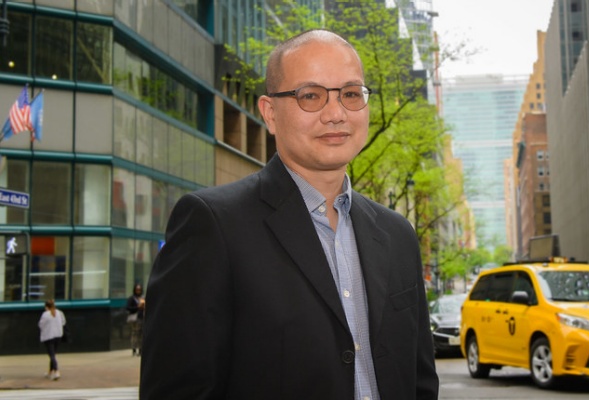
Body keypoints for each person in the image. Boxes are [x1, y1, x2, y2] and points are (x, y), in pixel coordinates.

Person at [140, 29, 439, 399]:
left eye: (350, 94)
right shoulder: (212, 225)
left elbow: (420, 380)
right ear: (270, 112)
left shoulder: (397, 234)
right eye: (310, 95)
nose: (335, 113)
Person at [38, 299, 65, 381]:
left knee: (51, 355)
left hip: (49, 336)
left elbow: (40, 324)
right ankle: (50, 372)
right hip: (58, 335)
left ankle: (57, 371)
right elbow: (63, 322)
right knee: (53, 354)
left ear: (46, 307)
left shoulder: (45, 314)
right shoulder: (59, 313)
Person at [126, 283, 145, 356]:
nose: (138, 291)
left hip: (142, 317)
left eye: (139, 289)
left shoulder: (142, 298)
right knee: (135, 333)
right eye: (137, 289)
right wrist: (137, 307)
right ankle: (134, 349)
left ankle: (140, 349)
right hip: (135, 318)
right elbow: (128, 308)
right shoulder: (132, 298)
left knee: (141, 334)